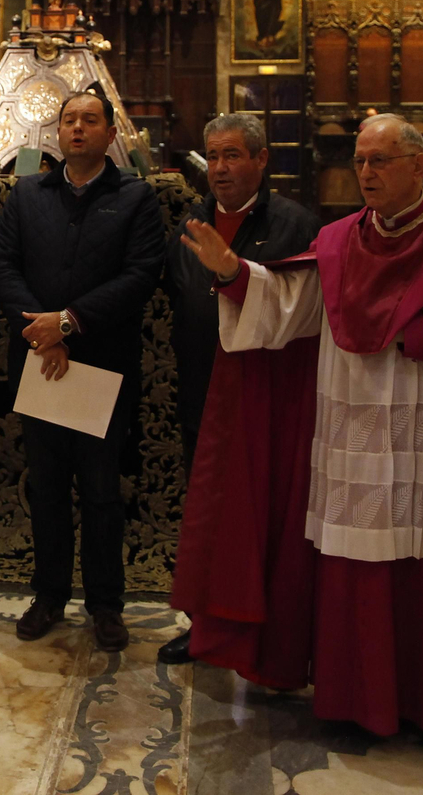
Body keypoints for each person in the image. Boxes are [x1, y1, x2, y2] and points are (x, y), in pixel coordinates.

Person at [172, 114, 423, 761]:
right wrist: (236, 274)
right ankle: (353, 702)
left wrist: (412, 331)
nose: (367, 173)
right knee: (351, 571)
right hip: (350, 437)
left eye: (381, 161)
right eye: (362, 160)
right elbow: (294, 307)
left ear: (419, 167)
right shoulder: (339, 241)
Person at [0, 91, 165, 652]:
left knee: (102, 491)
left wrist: (69, 323)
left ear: (111, 134)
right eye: (69, 121)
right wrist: (41, 330)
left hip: (101, 363)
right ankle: (49, 595)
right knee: (46, 487)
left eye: (90, 120)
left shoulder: (135, 198)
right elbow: (3, 265)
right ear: (56, 134)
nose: (78, 129)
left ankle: (106, 604)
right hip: (39, 362)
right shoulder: (28, 194)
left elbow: (140, 275)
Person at [158, 115, 319, 664]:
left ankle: (264, 631)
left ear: (261, 159)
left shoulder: (294, 224)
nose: (221, 169)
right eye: (213, 157)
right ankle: (202, 626)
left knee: (258, 518)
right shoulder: (190, 223)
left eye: (232, 156)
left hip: (263, 394)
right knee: (204, 516)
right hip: (201, 389)